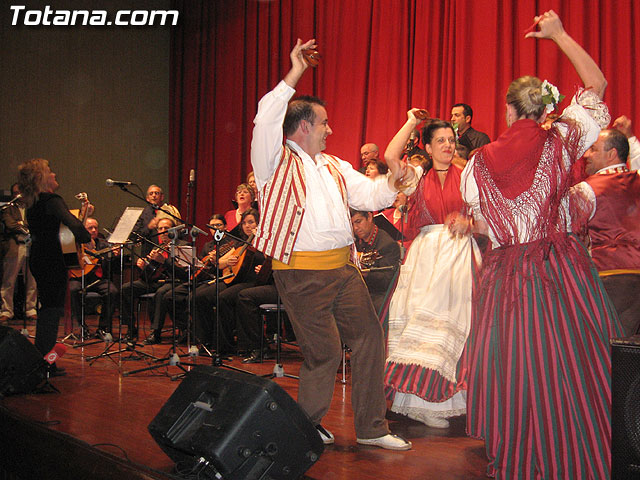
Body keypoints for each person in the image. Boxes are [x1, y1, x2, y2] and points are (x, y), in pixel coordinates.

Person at [459, 11, 622, 478]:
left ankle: (522, 446)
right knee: (572, 360)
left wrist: (470, 224)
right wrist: (559, 35)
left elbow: (487, 222)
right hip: (559, 266)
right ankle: (583, 445)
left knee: (514, 364)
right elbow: (597, 83)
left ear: (509, 111)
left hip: (506, 274)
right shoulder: (562, 137)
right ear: (545, 108)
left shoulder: (478, 165)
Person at [251, 38, 410, 450]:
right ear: (303, 125)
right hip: (301, 272)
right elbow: (267, 118)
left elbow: (372, 196)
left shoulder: (334, 165)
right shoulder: (272, 160)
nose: (330, 129)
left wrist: (395, 180)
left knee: (369, 338)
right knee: (323, 352)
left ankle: (373, 427)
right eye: (324, 123)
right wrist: (295, 71)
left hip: (343, 269)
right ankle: (307, 427)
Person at [382, 114, 481, 429]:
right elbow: (389, 156)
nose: (449, 145)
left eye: (451, 140)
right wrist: (410, 122)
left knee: (450, 325)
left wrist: (469, 224)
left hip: (458, 254)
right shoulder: (417, 176)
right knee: (415, 325)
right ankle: (410, 403)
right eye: (441, 140)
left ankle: (449, 403)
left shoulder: (467, 174)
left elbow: (483, 214)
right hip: (425, 256)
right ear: (427, 146)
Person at [18, 159, 91, 374]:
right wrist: (85, 237)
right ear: (42, 178)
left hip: (39, 258)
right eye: (50, 172)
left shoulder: (33, 203)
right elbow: (73, 223)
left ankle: (45, 361)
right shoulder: (51, 199)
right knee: (52, 312)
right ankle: (46, 364)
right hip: (52, 260)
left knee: (48, 310)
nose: (54, 174)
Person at [572, 129, 640, 337]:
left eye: (593, 149)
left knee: (602, 345)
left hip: (608, 275)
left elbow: (571, 233)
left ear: (611, 154)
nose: (586, 155)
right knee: (629, 349)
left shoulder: (587, 189)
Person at [121, 217, 187, 342]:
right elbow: (150, 274)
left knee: (161, 293)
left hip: (173, 281)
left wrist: (164, 261)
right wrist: (143, 267)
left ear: (174, 231)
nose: (162, 231)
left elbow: (183, 272)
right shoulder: (157, 247)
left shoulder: (182, 246)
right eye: (160, 228)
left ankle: (155, 332)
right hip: (155, 281)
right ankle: (131, 328)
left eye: (166, 228)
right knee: (126, 289)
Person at [68, 217, 119, 339]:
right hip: (78, 277)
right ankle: (82, 327)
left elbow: (111, 267)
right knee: (73, 290)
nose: (94, 230)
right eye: (90, 228)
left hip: (98, 279)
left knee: (112, 291)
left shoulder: (103, 244)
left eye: (96, 227)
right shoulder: (75, 244)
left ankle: (103, 328)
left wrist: (113, 256)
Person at [350, 209, 401, 314]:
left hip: (376, 295)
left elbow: (387, 281)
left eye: (358, 222)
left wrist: (367, 274)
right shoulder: (353, 242)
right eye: (352, 224)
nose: (355, 228)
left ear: (369, 217)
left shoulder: (387, 244)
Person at [1, 183, 37, 324]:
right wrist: (22, 226)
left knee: (32, 279)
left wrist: (22, 224)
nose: (18, 195)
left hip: (31, 245)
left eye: (21, 192)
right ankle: (6, 311)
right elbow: (10, 225)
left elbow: (34, 224)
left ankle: (31, 309)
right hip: (15, 246)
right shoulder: (8, 208)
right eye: (16, 192)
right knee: (9, 280)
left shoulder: (31, 207)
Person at [133, 185, 181, 256]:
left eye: (156, 193)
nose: (154, 196)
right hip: (149, 253)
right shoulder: (144, 214)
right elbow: (135, 235)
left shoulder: (170, 211)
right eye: (151, 193)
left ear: (162, 197)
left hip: (170, 253)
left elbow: (179, 231)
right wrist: (149, 227)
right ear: (147, 198)